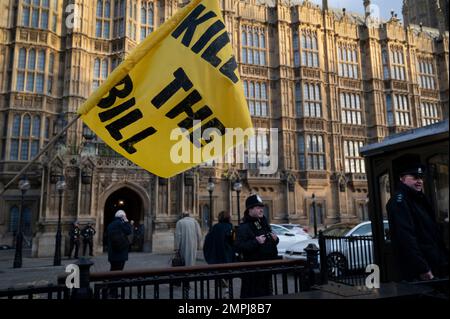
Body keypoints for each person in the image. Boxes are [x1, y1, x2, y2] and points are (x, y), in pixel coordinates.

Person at [386, 162, 449, 281]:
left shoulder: (419, 198)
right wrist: (423, 268)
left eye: (421, 177)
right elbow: (406, 238)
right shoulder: (400, 201)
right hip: (421, 271)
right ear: (402, 179)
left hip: (435, 263)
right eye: (414, 177)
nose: (419, 181)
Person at [235, 194, 279, 298]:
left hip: (266, 270)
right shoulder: (244, 226)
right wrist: (255, 242)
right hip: (253, 272)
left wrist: (276, 240)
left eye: (262, 207)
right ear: (250, 209)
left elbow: (268, 240)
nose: (261, 210)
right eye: (258, 207)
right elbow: (239, 246)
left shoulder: (263, 223)